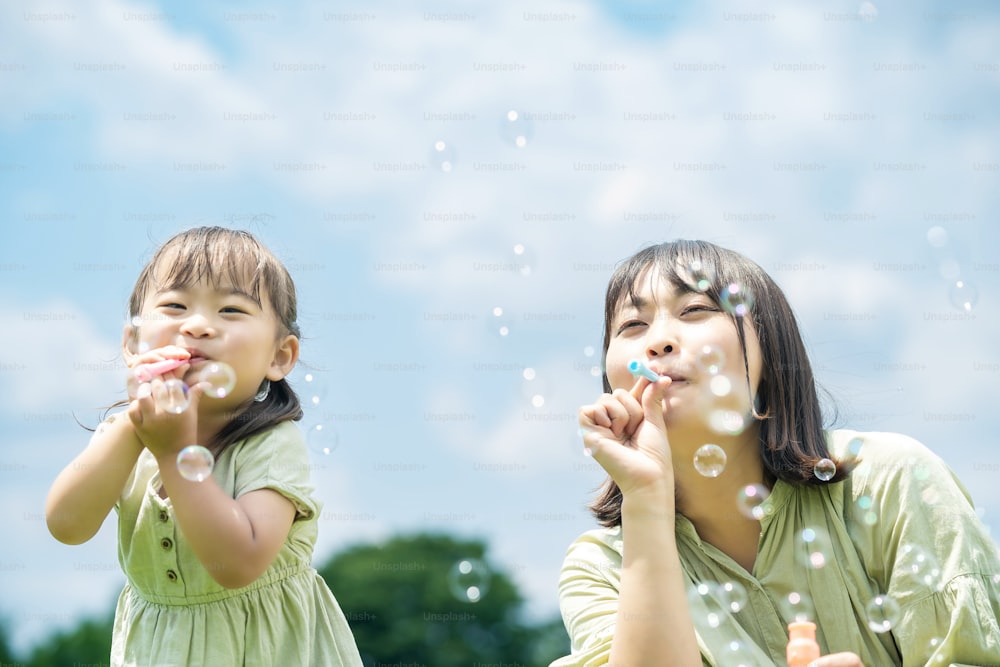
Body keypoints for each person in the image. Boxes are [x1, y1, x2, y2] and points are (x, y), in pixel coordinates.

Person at [551, 240, 1000, 666]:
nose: (658, 341)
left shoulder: (889, 480)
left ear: (771, 351)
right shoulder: (601, 567)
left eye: (695, 310)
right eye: (632, 325)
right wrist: (645, 499)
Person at [45, 226, 363, 666]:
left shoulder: (270, 445)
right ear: (133, 344)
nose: (197, 325)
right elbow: (66, 525)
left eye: (231, 310)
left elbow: (237, 564)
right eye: (174, 305)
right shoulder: (123, 437)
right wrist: (132, 431)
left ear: (280, 357)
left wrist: (175, 453)